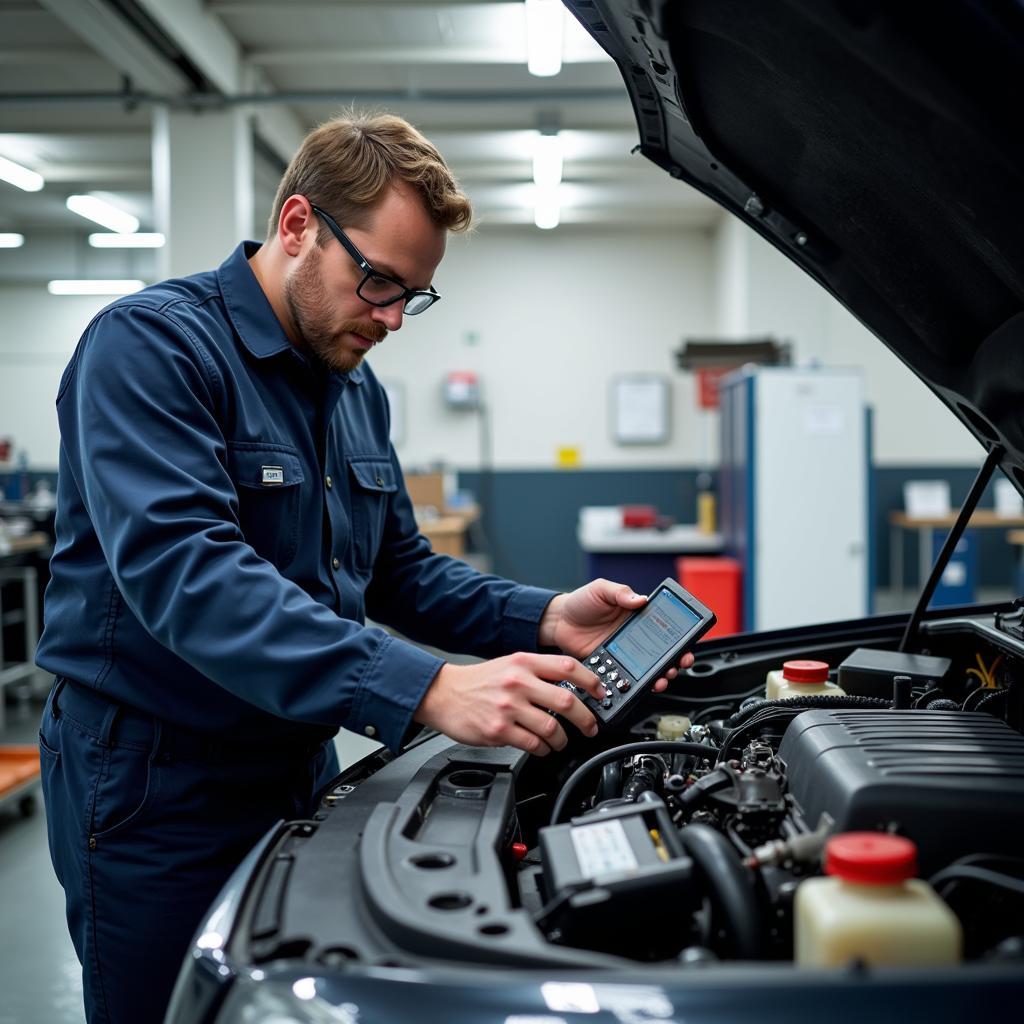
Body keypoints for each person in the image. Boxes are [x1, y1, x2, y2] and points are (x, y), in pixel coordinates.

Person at [35, 111, 693, 1024]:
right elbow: (190, 576)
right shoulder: (152, 349)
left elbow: (401, 573)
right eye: (377, 281)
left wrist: (546, 618)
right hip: (157, 785)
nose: (388, 319)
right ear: (298, 224)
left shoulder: (352, 387)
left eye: (410, 296)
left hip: (295, 763)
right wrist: (429, 687)